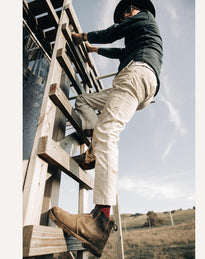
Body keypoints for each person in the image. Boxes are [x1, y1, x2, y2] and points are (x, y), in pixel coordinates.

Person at [48, 0, 163, 257]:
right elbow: (118, 52)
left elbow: (113, 33)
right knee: (85, 100)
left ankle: (99, 221)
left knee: (108, 132)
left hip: (136, 75)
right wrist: (94, 49)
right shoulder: (139, 40)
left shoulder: (144, 17)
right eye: (123, 14)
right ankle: (93, 149)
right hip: (138, 79)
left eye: (126, 12)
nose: (125, 16)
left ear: (134, 9)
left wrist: (82, 36)